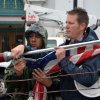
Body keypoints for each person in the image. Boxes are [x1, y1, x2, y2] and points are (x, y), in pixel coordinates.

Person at [55, 8, 100, 100]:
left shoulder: (93, 48)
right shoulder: (66, 46)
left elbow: (88, 78)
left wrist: (64, 61)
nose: (66, 26)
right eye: (66, 22)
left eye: (71, 23)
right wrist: (23, 48)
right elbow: (44, 56)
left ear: (82, 26)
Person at [5, 22, 52, 100]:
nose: (33, 40)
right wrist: (17, 74)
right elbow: (8, 85)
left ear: (43, 39)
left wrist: (50, 83)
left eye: (37, 37)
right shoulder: (20, 56)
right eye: (31, 36)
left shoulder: (50, 57)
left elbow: (62, 85)